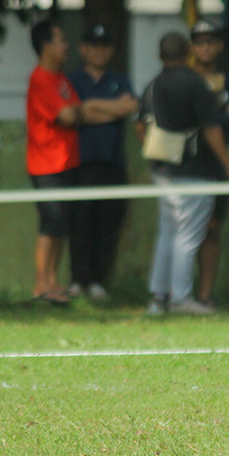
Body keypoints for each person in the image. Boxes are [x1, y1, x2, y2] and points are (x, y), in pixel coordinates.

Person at [26, 18, 135, 305]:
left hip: (68, 162)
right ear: (46, 46)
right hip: (49, 164)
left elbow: (82, 112)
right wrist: (90, 110)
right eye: (61, 40)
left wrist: (86, 109)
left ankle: (54, 282)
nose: (66, 46)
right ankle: (42, 284)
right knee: (53, 225)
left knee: (61, 225)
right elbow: (69, 115)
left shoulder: (61, 79)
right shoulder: (41, 79)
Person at [137, 32, 229, 316]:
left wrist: (155, 153)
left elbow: (140, 125)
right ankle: (181, 298)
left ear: (161, 56)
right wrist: (228, 166)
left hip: (163, 171)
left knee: (167, 233)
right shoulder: (196, 84)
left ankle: (158, 298)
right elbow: (211, 129)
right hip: (196, 171)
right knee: (188, 236)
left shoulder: (153, 85)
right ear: (188, 53)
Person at [66, 24, 138, 301]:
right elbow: (77, 112)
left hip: (113, 162)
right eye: (94, 46)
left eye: (104, 46)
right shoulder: (72, 80)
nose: (99, 51)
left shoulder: (120, 80)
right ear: (83, 49)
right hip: (82, 163)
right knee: (80, 223)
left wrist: (93, 108)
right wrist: (112, 109)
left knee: (107, 225)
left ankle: (98, 281)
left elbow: (130, 107)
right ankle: (77, 280)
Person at [188, 19, 229, 307]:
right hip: (189, 163)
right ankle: (180, 294)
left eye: (210, 41)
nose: (205, 47)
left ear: (220, 45)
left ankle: (204, 294)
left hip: (219, 165)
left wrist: (208, 118)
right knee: (187, 232)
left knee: (213, 228)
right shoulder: (185, 78)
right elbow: (184, 118)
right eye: (199, 41)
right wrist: (216, 114)